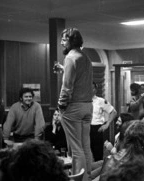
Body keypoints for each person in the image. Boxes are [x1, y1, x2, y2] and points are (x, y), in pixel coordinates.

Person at [58, 27, 93, 181]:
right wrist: (63, 69)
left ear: (72, 41)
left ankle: (79, 179)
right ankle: (88, 177)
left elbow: (67, 87)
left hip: (74, 107)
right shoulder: (86, 58)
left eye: (64, 40)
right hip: (87, 106)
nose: (61, 43)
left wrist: (61, 105)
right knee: (85, 145)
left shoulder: (70, 58)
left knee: (75, 149)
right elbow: (81, 79)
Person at [91, 81, 117, 161]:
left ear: (95, 89)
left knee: (97, 155)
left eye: (92, 88)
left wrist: (107, 124)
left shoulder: (101, 101)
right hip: (84, 129)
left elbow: (113, 112)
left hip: (96, 129)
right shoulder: (82, 102)